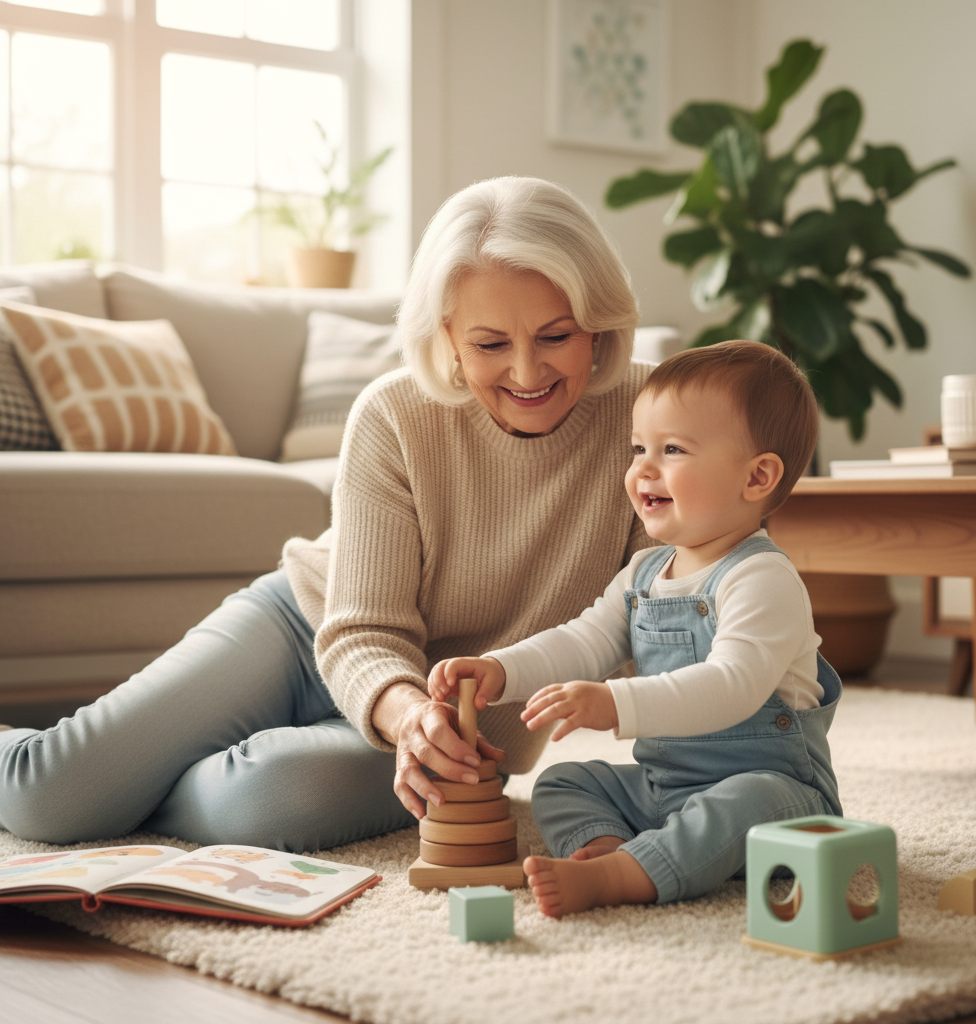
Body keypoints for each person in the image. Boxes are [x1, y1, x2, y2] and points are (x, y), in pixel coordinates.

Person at [0, 176, 654, 853]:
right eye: (491, 345)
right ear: (449, 338)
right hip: (309, 629)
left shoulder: (654, 422)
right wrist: (406, 718)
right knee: (49, 798)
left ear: (600, 325)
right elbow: (362, 628)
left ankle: (131, 786)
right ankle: (97, 781)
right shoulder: (395, 413)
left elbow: (664, 622)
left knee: (265, 801)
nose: (526, 372)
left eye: (555, 336)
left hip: (461, 730)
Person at [428, 341, 843, 917]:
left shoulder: (761, 578)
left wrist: (616, 703)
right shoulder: (646, 571)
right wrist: (504, 668)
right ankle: (611, 851)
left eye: (672, 449)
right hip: (665, 788)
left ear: (757, 477)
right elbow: (584, 639)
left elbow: (733, 684)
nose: (642, 468)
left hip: (779, 798)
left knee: (749, 799)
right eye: (638, 448)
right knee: (564, 782)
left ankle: (623, 878)